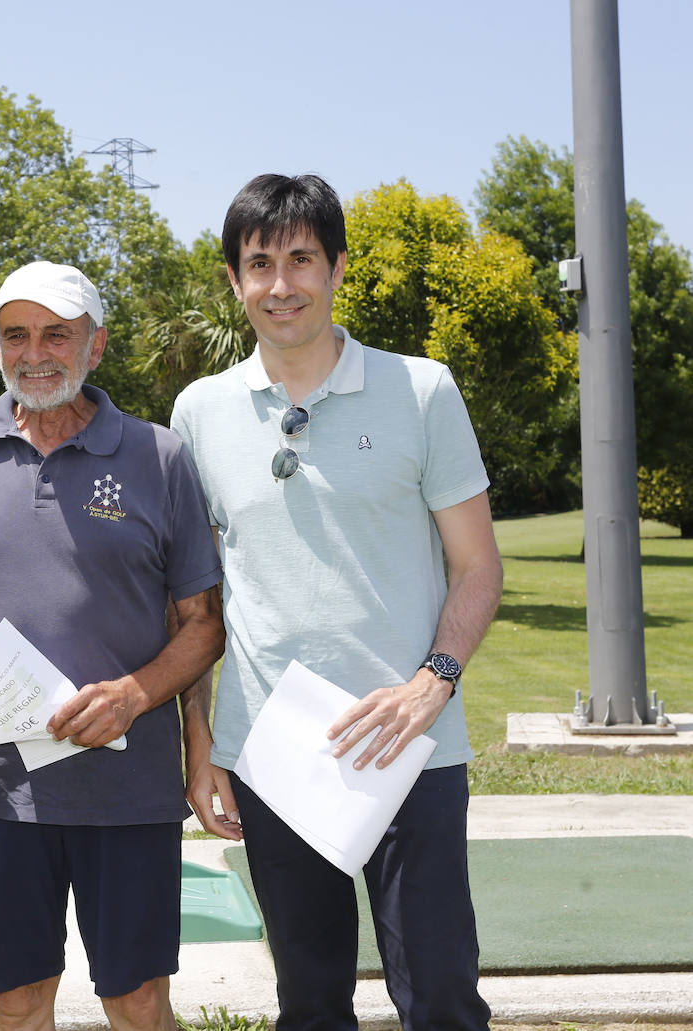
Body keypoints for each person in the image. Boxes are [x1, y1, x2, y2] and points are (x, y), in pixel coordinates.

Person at [171, 173, 504, 1031]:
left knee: (439, 997)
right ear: (234, 280)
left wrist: (433, 681)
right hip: (273, 756)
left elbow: (477, 567)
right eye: (259, 264)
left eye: (301, 260)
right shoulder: (199, 412)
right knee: (311, 1004)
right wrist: (202, 741)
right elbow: (196, 600)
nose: (281, 285)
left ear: (339, 269)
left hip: (410, 748)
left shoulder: (423, 390)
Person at [0, 261, 225, 1031]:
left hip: (129, 790)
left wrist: (136, 695)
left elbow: (203, 620)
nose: (34, 352)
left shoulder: (159, 457)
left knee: (138, 1000)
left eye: (56, 333)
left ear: (95, 345)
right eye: (16, 335)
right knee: (18, 999)